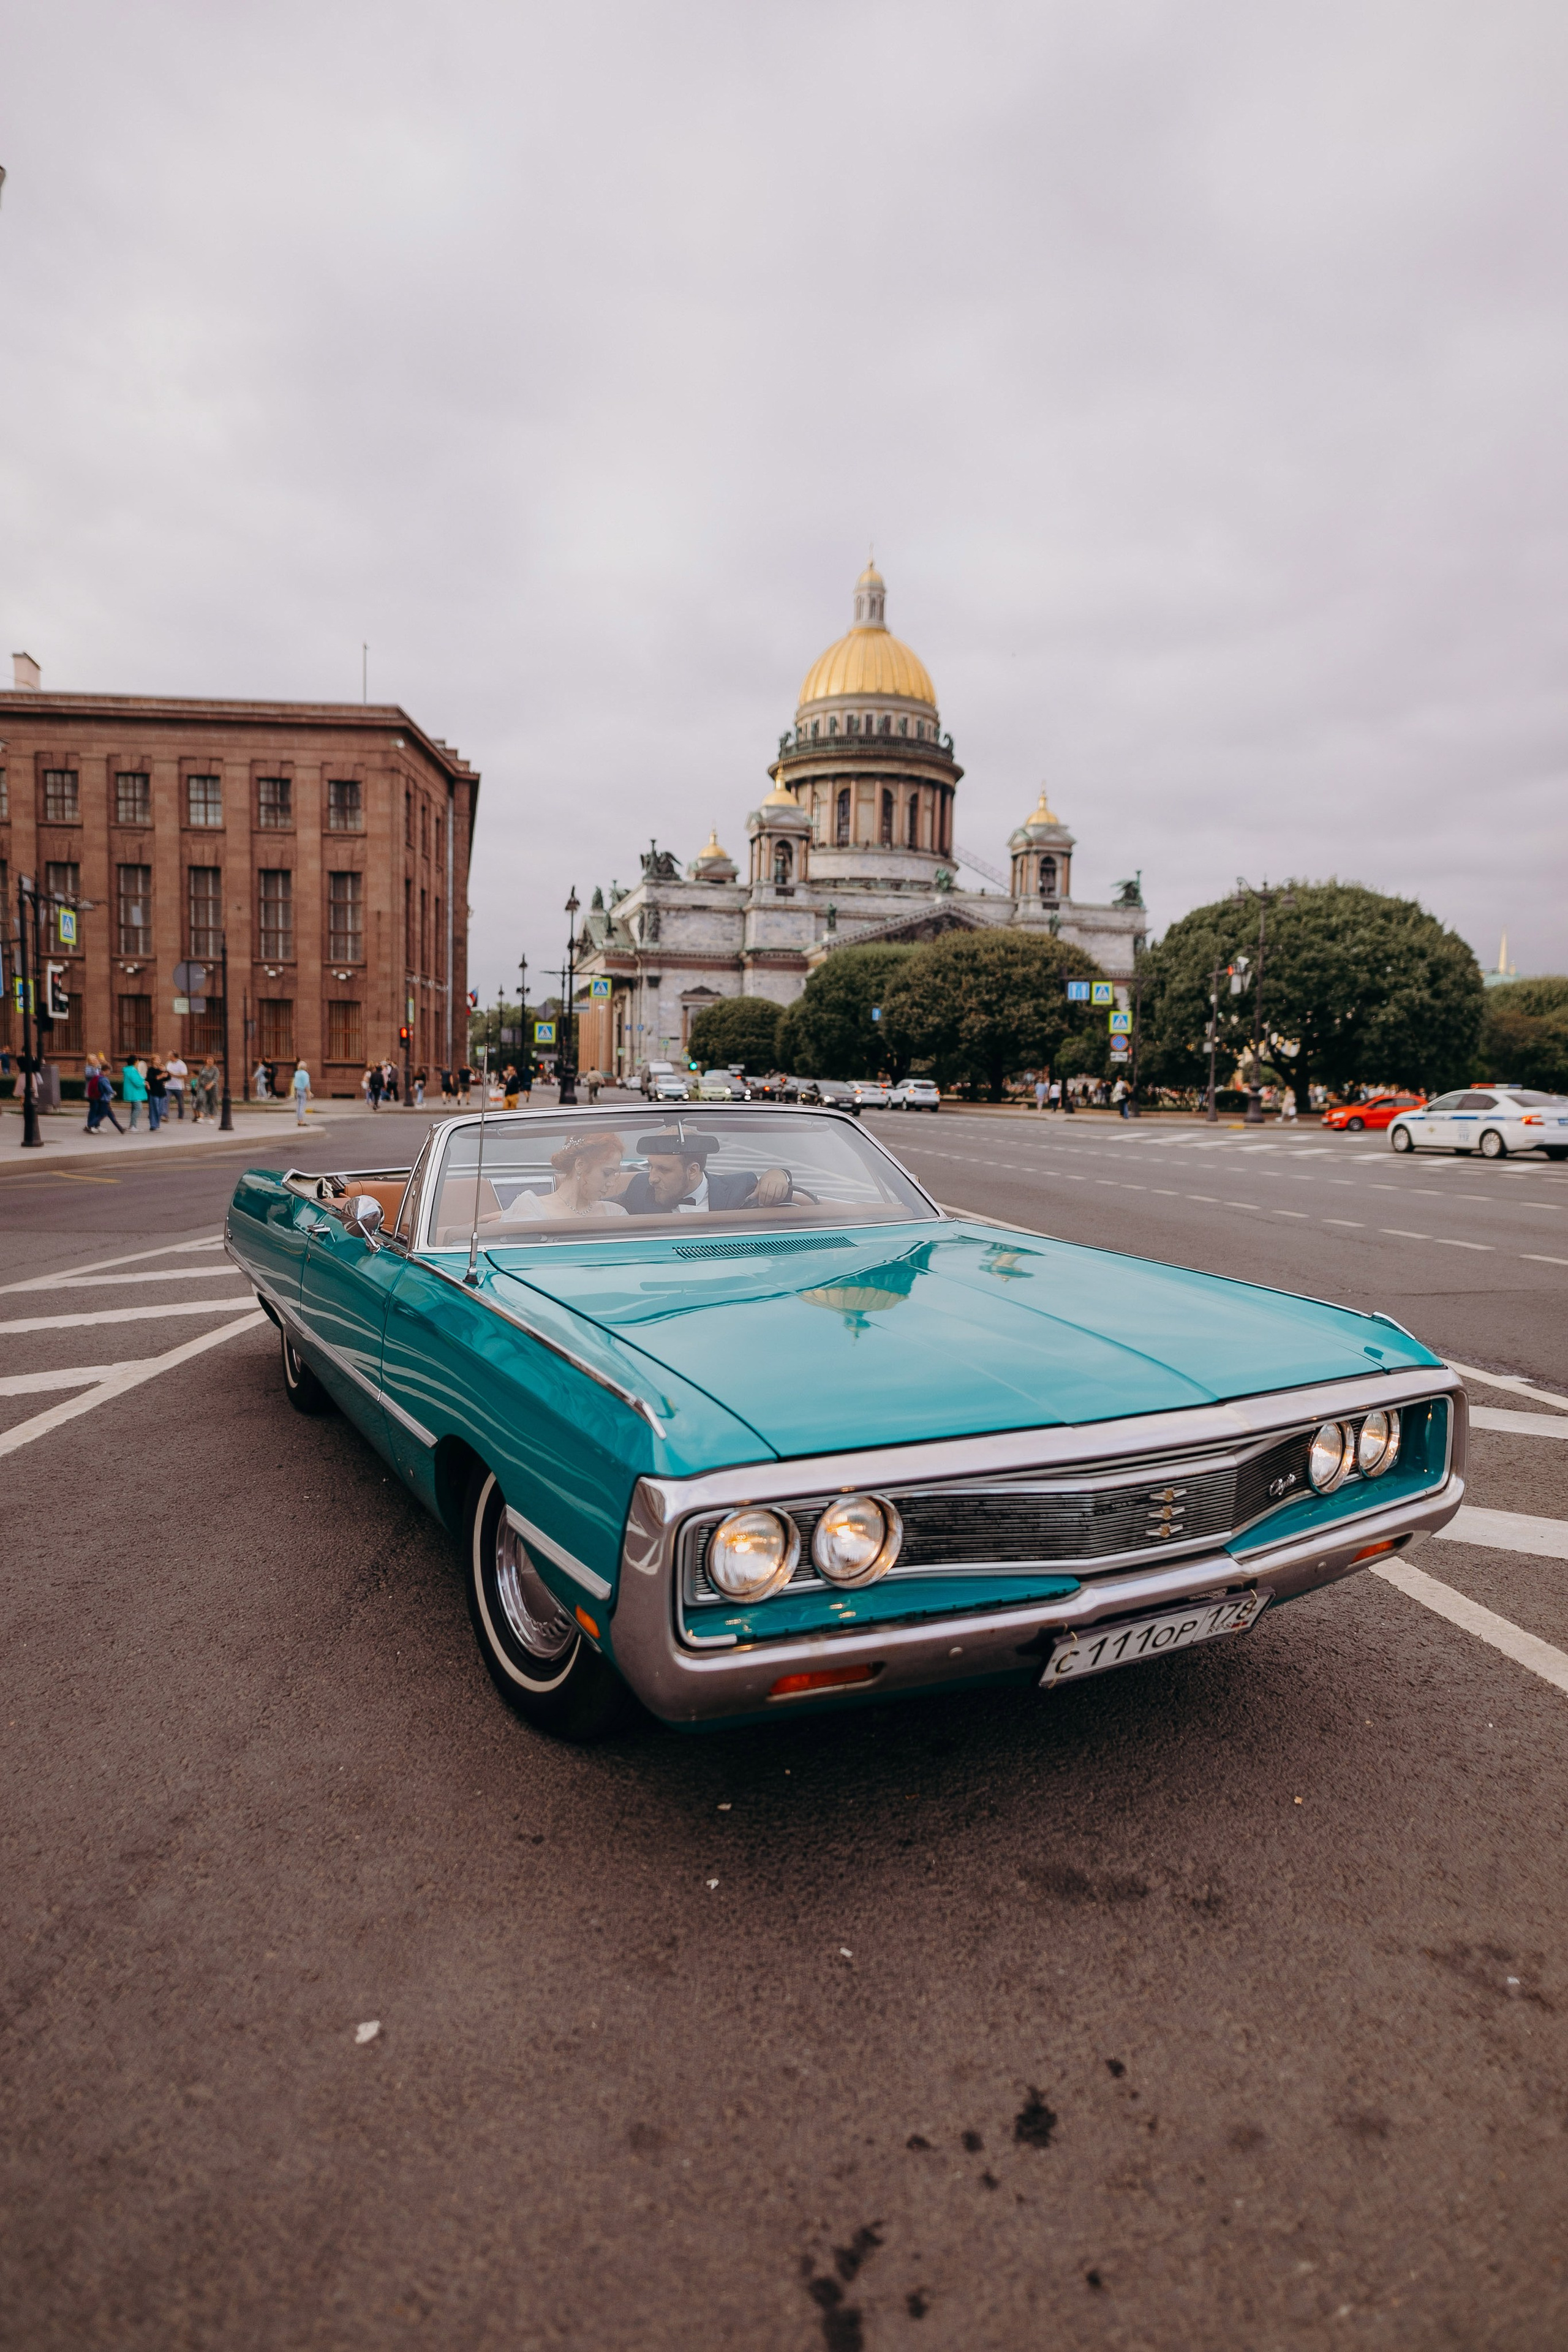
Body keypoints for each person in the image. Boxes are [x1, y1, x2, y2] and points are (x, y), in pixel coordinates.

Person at [619, 1131, 793, 1215]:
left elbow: (799, 1203)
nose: (652, 1178)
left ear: (693, 1171)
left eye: (663, 1169)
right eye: (651, 1166)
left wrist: (778, 1174)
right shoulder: (639, 1187)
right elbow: (599, 1206)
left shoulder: (740, 1188)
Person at [497, 1129, 630, 1223]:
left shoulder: (615, 1213)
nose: (612, 1183)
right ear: (580, 1165)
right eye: (606, 1173)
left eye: (615, 1174)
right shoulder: (532, 1208)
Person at [121, 1054, 148, 1130]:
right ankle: (133, 1126)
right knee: (138, 1108)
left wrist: (143, 1082)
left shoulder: (129, 1070)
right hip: (135, 1093)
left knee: (134, 1109)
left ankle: (132, 1126)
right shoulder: (132, 1070)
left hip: (133, 1093)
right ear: (135, 1062)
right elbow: (137, 1082)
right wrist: (143, 1083)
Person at [147, 1055, 168, 1132]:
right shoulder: (151, 1070)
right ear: (153, 1061)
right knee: (154, 1109)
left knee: (160, 1110)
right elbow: (150, 1079)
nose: (159, 1060)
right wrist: (159, 1077)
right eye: (157, 1059)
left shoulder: (160, 1070)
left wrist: (165, 1073)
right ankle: (153, 1125)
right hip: (154, 1092)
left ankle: (157, 1125)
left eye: (160, 1059)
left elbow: (168, 1078)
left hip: (161, 1092)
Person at [165, 1051, 187, 1118]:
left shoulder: (181, 1064)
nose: (168, 1056)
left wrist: (174, 1075)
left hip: (178, 1087)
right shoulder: (168, 1063)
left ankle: (180, 1116)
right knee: (166, 1101)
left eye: (169, 1055)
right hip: (168, 1086)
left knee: (180, 1103)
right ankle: (165, 1116)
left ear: (173, 1056)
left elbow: (184, 1075)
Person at [292, 1060, 312, 1126]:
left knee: (299, 1106)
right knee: (302, 1106)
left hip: (298, 1090)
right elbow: (306, 1084)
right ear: (304, 1067)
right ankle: (301, 1121)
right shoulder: (305, 1074)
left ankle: (299, 1120)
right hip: (303, 1091)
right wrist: (309, 1094)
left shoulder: (297, 1073)